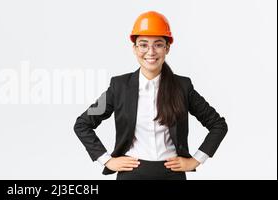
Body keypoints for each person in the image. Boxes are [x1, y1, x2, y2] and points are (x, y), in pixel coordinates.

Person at [73, 11, 228, 180]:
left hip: (172, 174)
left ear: (167, 48)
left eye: (158, 44)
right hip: (132, 174)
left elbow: (218, 125)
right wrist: (106, 160)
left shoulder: (182, 87)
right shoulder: (118, 87)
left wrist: (196, 160)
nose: (151, 51)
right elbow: (83, 124)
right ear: (135, 48)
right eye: (144, 44)